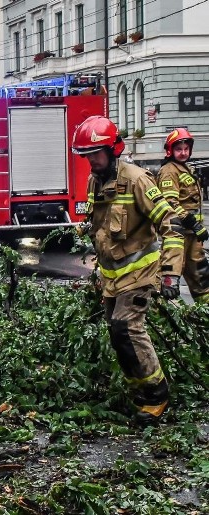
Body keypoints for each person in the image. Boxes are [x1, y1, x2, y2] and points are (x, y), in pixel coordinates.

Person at [72, 115, 184, 425]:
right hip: (112, 279)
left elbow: (171, 225)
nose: (91, 162)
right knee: (117, 336)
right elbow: (100, 225)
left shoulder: (137, 179)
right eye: (86, 156)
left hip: (140, 274)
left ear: (113, 149)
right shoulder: (95, 180)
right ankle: (139, 394)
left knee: (127, 328)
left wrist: (171, 272)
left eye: (95, 154)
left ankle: (157, 396)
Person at [157, 128, 209, 304]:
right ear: (170, 150)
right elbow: (170, 203)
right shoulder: (169, 171)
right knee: (170, 277)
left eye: (186, 149)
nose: (183, 152)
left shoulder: (185, 168)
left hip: (191, 236)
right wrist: (193, 224)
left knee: (201, 278)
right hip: (178, 235)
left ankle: (204, 316)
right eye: (179, 149)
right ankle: (161, 320)